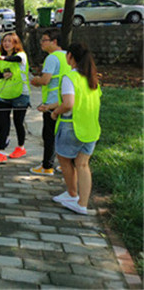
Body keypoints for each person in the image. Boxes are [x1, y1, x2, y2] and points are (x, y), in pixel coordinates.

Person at [50, 43, 101, 215]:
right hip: (91, 128)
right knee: (82, 164)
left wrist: (55, 112)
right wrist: (50, 106)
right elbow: (76, 100)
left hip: (71, 125)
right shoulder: (92, 78)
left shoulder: (69, 77)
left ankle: (72, 194)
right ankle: (82, 203)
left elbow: (69, 104)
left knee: (64, 160)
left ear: (70, 56)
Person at [29, 29, 70, 176]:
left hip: (52, 103)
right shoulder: (67, 56)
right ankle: (66, 165)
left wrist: (36, 81)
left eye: (44, 40)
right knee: (64, 136)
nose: (41, 43)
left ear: (54, 41)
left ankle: (47, 166)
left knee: (49, 136)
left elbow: (46, 80)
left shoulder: (52, 58)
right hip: (66, 101)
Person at [0, 33, 30, 164]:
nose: (6, 43)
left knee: (18, 122)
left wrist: (3, 57)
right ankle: (1, 151)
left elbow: (16, 60)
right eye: (4, 41)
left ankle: (21, 147)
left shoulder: (21, 55)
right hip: (4, 95)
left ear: (15, 43)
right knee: (3, 123)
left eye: (10, 41)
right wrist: (3, 74)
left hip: (20, 94)